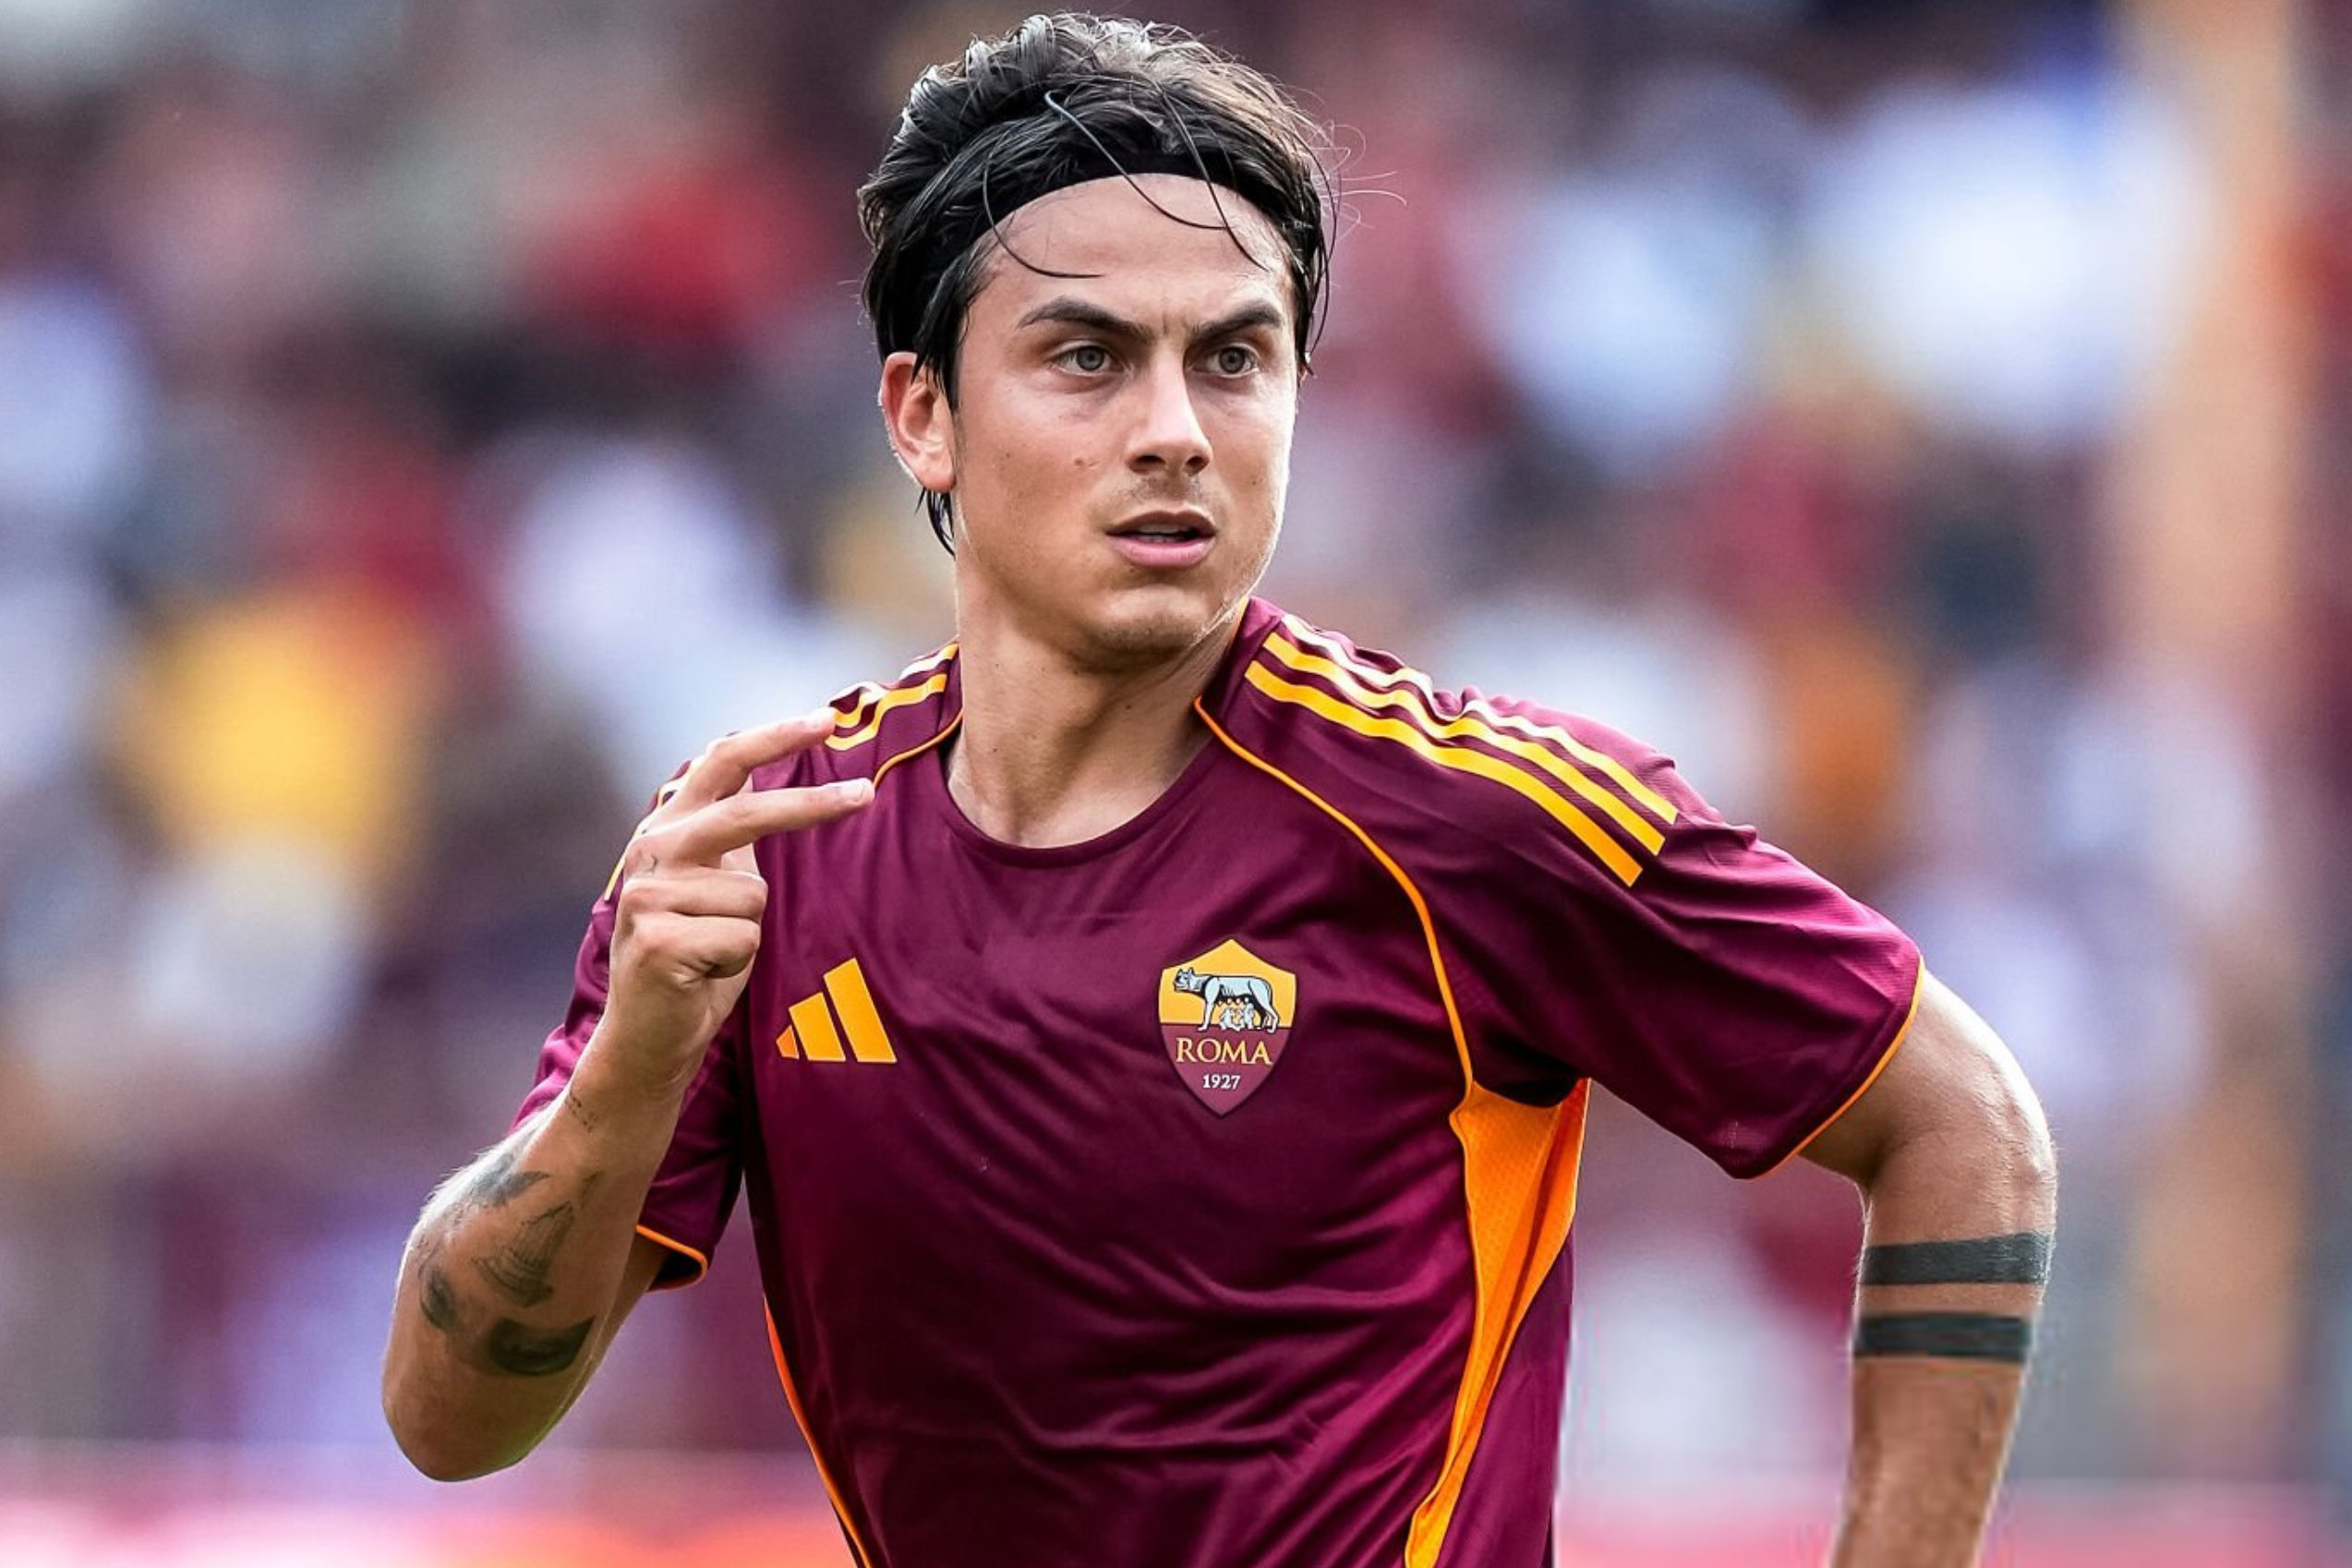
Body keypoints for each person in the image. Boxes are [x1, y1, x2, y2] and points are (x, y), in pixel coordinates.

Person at [381, 15, 2056, 1566]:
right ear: (923, 416)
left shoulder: (1475, 813)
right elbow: (451, 1421)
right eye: (1089, 358)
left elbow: (1963, 1125)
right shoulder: (767, 850)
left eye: (1237, 359)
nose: (1177, 428)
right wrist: (631, 1072)